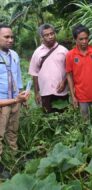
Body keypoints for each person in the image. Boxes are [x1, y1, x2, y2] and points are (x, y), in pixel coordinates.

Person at [0, 24, 28, 157]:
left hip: (16, 100)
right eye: (6, 37)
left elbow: (17, 77)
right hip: (2, 102)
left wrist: (22, 96)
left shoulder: (14, 55)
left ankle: (12, 160)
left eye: (12, 37)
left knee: (12, 132)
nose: (10, 40)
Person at [29, 23, 68, 113]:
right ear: (41, 37)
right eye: (46, 35)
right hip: (45, 92)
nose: (50, 37)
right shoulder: (37, 52)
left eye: (52, 34)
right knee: (48, 117)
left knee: (64, 117)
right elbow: (35, 74)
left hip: (61, 91)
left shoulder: (64, 50)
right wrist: (36, 93)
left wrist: (64, 82)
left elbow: (70, 71)